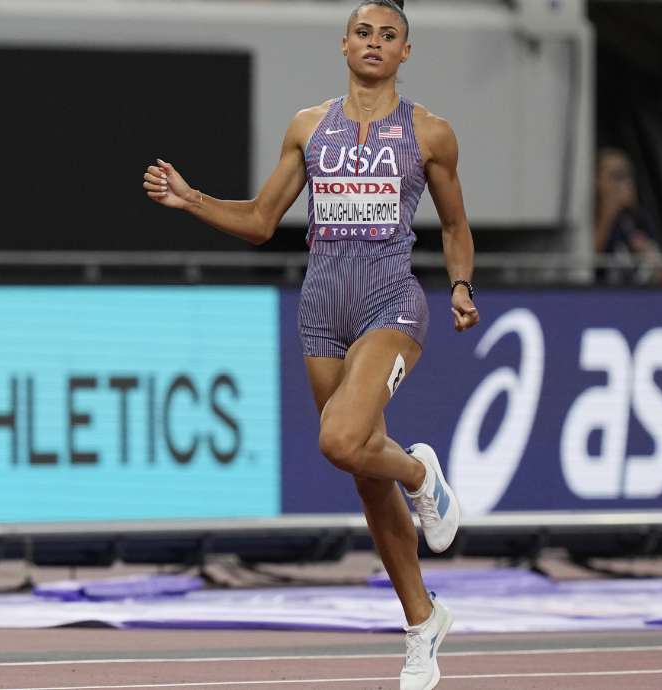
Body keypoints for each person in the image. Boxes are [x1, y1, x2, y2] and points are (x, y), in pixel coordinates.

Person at [142, 2, 478, 687]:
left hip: (391, 301)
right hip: (322, 308)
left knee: (339, 439)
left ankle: (421, 474)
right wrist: (191, 199)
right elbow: (264, 220)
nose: (374, 43)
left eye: (389, 36)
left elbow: (452, 225)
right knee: (361, 471)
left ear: (406, 53)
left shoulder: (430, 134)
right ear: (344, 43)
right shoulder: (309, 127)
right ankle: (423, 624)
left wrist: (463, 284)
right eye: (364, 32)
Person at [593, 148, 662, 283]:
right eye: (616, 176)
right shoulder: (590, 215)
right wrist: (609, 214)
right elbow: (587, 264)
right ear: (597, 180)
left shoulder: (639, 219)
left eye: (627, 176)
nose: (624, 183)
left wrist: (647, 250)